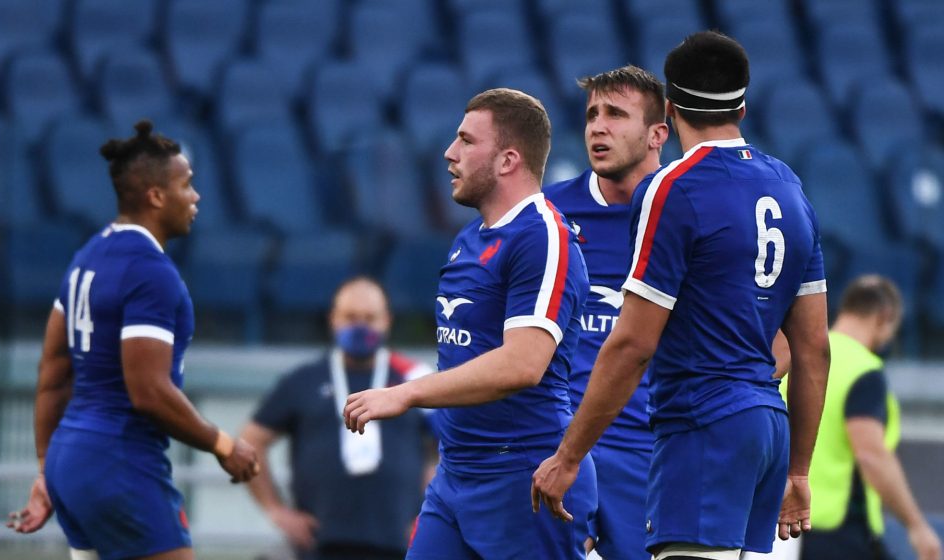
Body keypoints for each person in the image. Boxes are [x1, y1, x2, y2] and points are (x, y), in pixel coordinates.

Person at [530, 30, 831, 560]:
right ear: (742, 104)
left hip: (702, 426)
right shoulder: (789, 186)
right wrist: (800, 468)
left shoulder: (671, 188)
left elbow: (633, 345)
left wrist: (569, 457)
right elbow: (813, 348)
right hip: (769, 429)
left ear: (669, 110)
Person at [343, 88, 596, 559]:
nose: (449, 153)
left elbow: (523, 364)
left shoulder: (543, 237)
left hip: (524, 475)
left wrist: (406, 393)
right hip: (456, 475)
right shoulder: (467, 238)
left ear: (507, 161)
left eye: (465, 141)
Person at [6, 121, 259, 560]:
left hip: (71, 458)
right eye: (187, 184)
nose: (195, 197)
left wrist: (48, 469)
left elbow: (52, 373)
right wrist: (223, 444)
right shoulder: (151, 272)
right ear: (156, 196)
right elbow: (149, 392)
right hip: (119, 462)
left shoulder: (87, 257)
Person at [542, 65, 668, 560]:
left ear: (658, 133)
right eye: (592, 113)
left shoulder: (691, 214)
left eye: (616, 114)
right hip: (555, 448)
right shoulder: (546, 215)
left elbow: (778, 342)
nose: (598, 125)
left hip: (651, 457)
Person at [240, 276, 437, 560]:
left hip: (400, 545)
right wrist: (276, 510)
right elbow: (251, 441)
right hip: (318, 545)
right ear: (333, 319)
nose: (360, 326)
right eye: (351, 317)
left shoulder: (412, 380)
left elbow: (446, 448)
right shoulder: (303, 381)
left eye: (370, 318)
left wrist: (428, 513)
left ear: (387, 321)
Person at [791, 275, 942, 560]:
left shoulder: (799, 356)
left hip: (784, 528)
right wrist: (917, 526)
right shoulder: (863, 370)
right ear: (885, 317)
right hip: (838, 532)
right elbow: (871, 455)